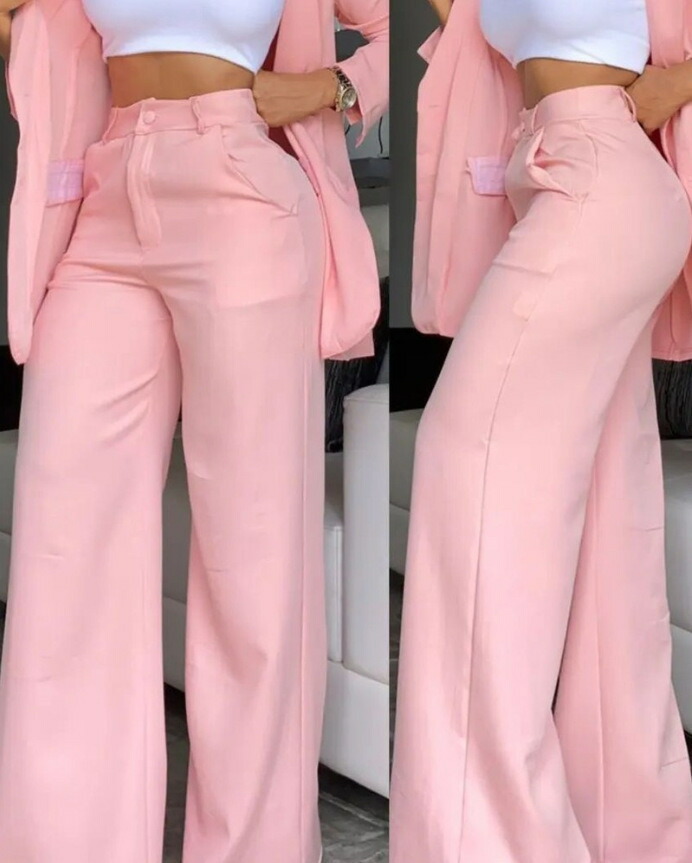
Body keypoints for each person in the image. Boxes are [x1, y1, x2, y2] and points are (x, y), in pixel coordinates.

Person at [0, 1, 389, 861]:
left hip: (240, 190)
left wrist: (329, 88)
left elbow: (411, 30)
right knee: (63, 543)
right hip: (107, 191)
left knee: (253, 561)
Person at [391, 0, 692, 861]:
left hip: (602, 179)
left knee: (463, 457)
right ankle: (638, 836)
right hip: (556, 173)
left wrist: (680, 80)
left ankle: (498, 840)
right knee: (610, 531)